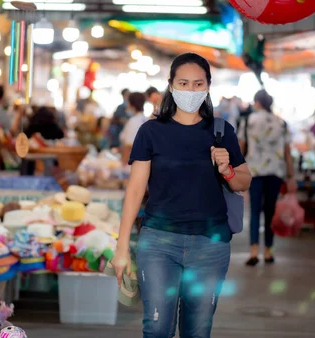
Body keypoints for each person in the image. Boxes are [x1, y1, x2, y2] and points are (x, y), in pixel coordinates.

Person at [112, 53, 251, 338]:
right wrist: (121, 248)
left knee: (197, 331)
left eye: (198, 84)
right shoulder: (150, 131)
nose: (190, 90)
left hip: (210, 246)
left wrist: (226, 170)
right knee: (157, 327)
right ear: (171, 85)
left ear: (208, 86)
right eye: (184, 83)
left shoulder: (222, 131)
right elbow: (136, 190)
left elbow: (243, 182)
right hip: (159, 243)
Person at [238, 89, 295, 266]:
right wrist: (291, 176)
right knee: (270, 211)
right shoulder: (281, 122)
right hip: (275, 172)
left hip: (255, 171)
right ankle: (269, 251)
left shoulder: (248, 120)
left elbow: (241, 147)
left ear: (257, 103)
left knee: (255, 211)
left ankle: (254, 251)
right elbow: (287, 152)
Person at [19, 106, 65, 176]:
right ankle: (50, 178)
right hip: (49, 152)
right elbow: (61, 135)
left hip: (32, 151)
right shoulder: (52, 125)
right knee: (51, 161)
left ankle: (26, 176)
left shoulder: (33, 124)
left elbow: (25, 135)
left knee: (26, 160)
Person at [119, 92, 148, 163]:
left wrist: (123, 163)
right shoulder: (147, 120)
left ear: (132, 105)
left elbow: (129, 146)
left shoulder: (133, 121)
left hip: (131, 163)